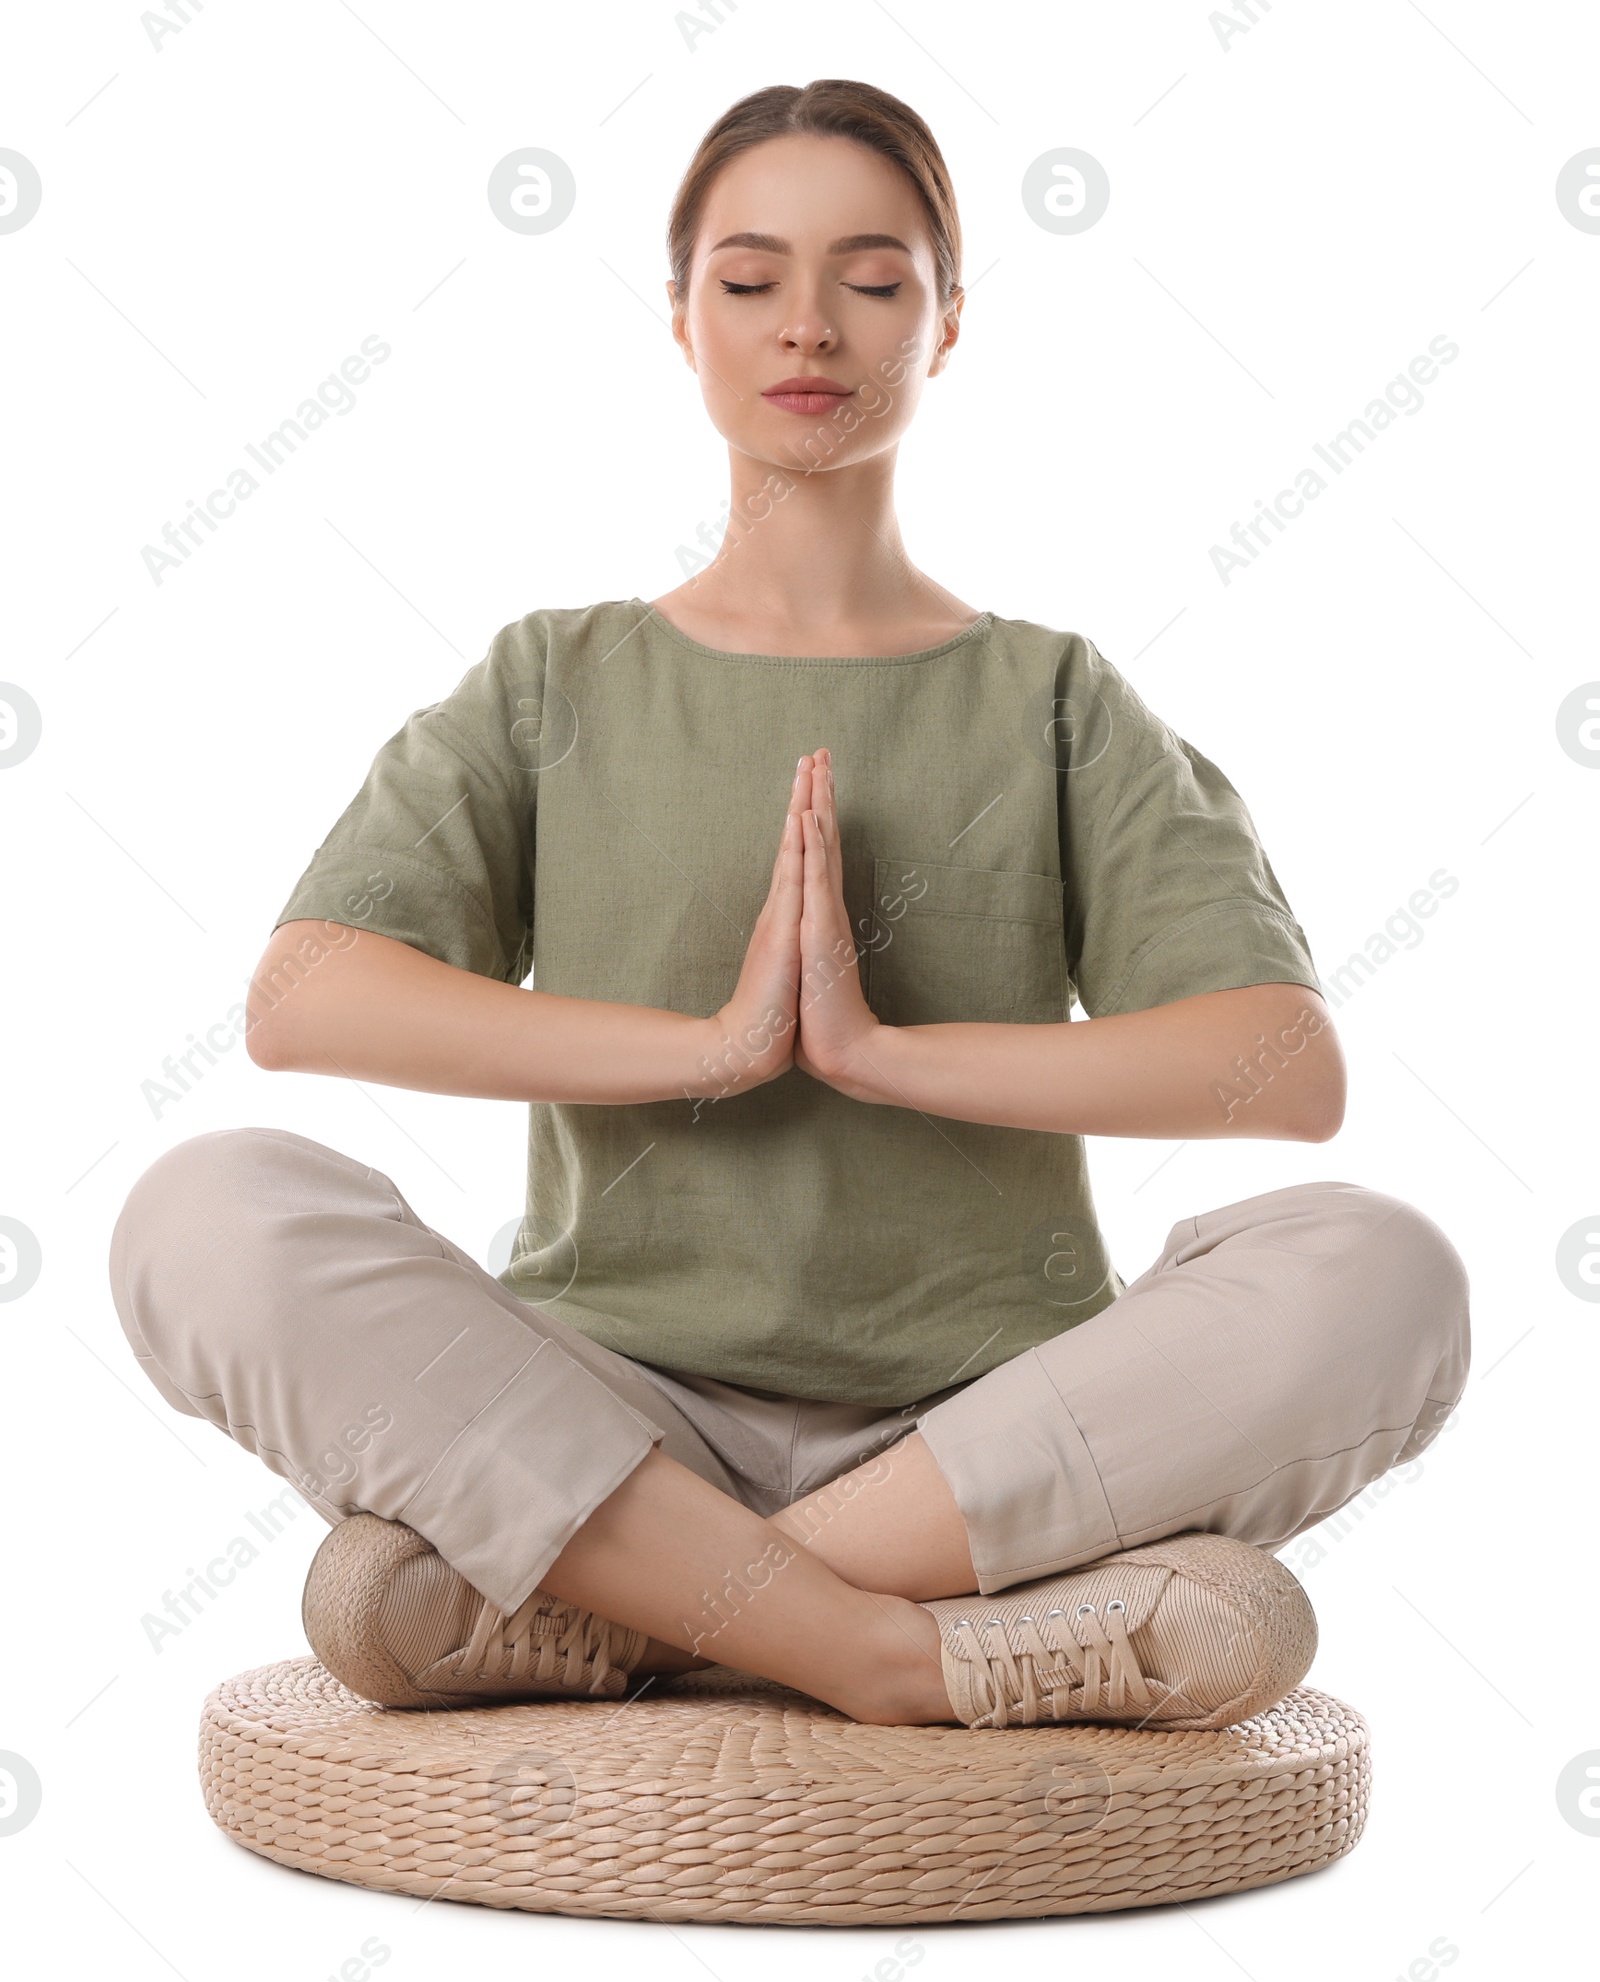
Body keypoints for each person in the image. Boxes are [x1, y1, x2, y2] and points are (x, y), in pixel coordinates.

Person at [108, 79, 1469, 1733]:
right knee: (206, 1213)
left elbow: (1281, 1064)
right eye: (748, 281)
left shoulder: (1054, 696)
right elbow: (305, 997)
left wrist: (884, 1053)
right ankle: (880, 1651)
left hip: (983, 1436)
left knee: (1383, 1272)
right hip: (609, 1408)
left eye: (873, 279)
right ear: (677, 321)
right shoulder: (555, 679)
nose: (807, 325)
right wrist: (712, 1045)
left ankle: (648, 1608)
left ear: (950, 322)